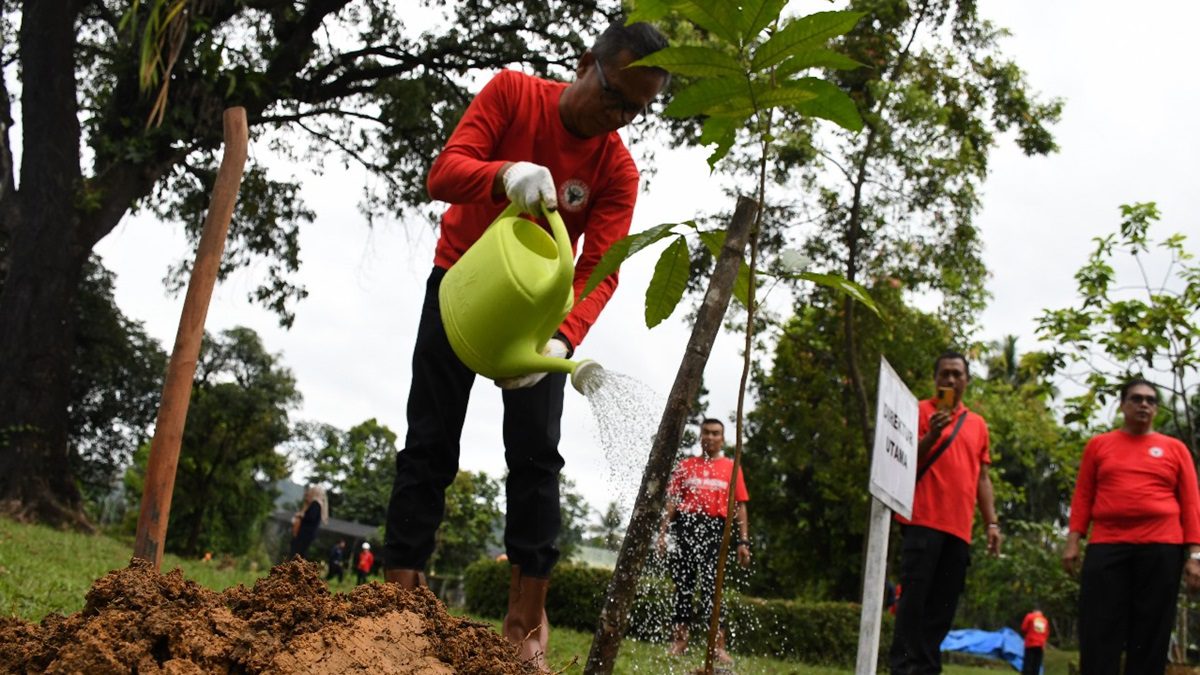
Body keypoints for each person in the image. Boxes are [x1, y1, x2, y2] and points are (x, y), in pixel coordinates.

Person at [379, 18, 670, 670]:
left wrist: (563, 338)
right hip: (461, 284)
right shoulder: (513, 94)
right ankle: (395, 600)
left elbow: (603, 267)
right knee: (430, 441)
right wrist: (505, 173)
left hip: (538, 325)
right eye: (613, 92)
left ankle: (526, 623)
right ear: (584, 60)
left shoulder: (617, 170)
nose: (616, 115)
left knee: (537, 459)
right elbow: (442, 172)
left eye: (634, 110)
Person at [1062, 378, 1200, 674]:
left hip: (1162, 548)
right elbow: (1084, 495)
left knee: (1151, 632)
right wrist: (1073, 541)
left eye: (1151, 400)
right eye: (1136, 399)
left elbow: (1191, 505)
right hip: (1107, 546)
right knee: (1099, 626)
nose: (1144, 405)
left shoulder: (1175, 449)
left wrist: (1195, 557)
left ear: (1156, 409)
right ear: (1123, 404)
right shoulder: (1099, 446)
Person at [889, 351, 1001, 675]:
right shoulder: (918, 411)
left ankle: (926, 669)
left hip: (959, 531)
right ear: (935, 379)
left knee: (943, 608)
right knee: (912, 603)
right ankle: (903, 668)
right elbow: (903, 462)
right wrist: (932, 435)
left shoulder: (978, 424)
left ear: (966, 380)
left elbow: (983, 476)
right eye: (944, 374)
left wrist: (991, 523)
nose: (950, 380)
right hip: (922, 523)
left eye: (957, 374)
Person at [656, 418, 750, 664]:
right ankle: (679, 640)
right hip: (686, 526)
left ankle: (717, 646)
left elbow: (740, 505)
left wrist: (743, 541)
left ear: (723, 438)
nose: (710, 437)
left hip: (716, 529)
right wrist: (663, 533)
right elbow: (673, 502)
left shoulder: (732, 467)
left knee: (713, 587)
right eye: (706, 432)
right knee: (683, 585)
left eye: (715, 433)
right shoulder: (686, 466)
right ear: (700, 436)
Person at [289, 484, 327, 560]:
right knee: (299, 553)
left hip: (305, 534)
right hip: (306, 534)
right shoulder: (315, 504)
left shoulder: (316, 504)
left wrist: (301, 515)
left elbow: (311, 517)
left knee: (298, 553)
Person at [1019, 608, 1049, 675]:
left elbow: (1024, 628)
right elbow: (1046, 633)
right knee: (1037, 664)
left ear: (1034, 611)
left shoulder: (1030, 616)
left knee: (1028, 662)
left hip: (1031, 643)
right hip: (1041, 644)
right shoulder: (1045, 620)